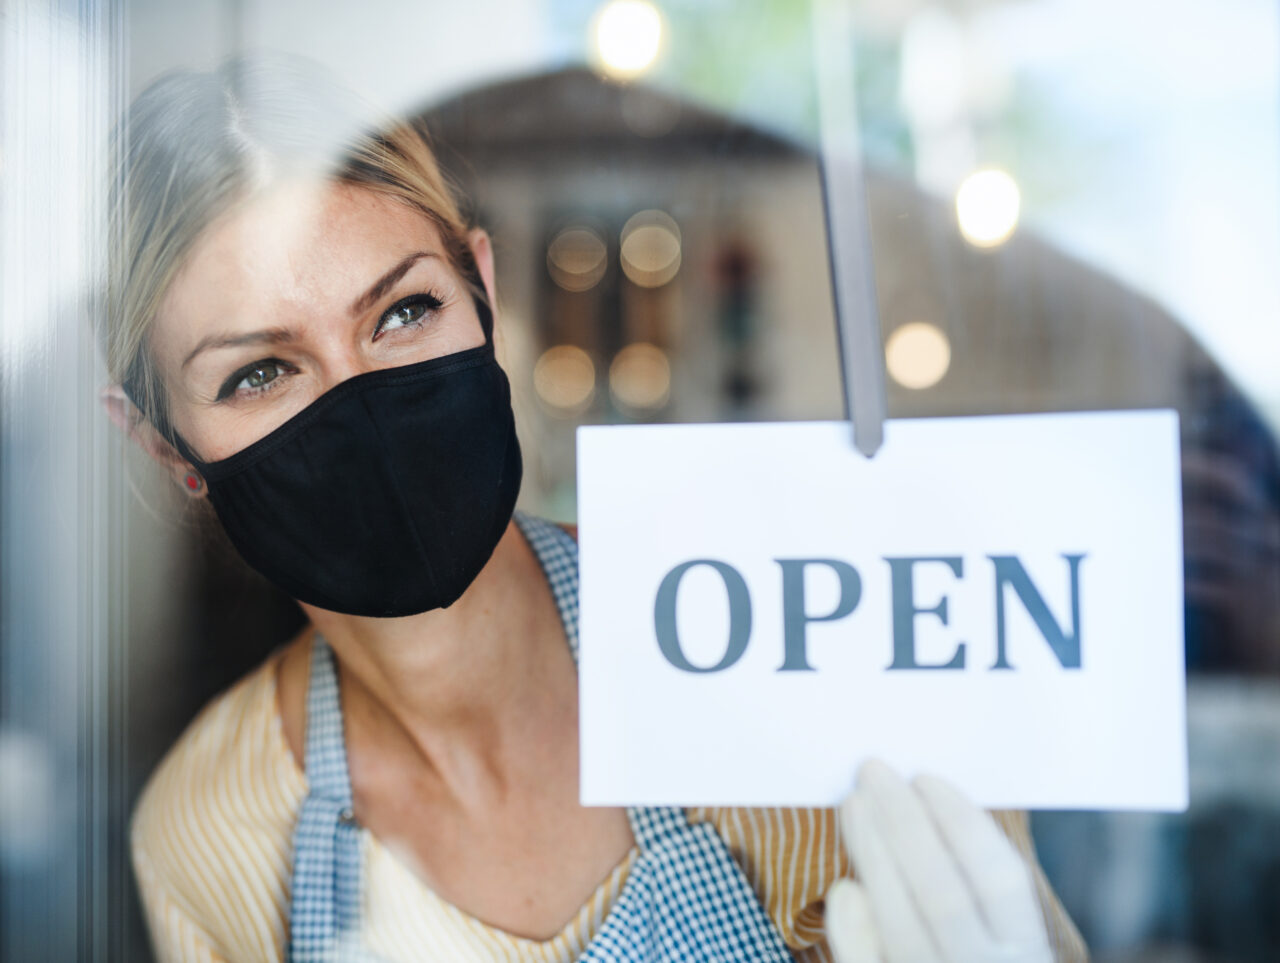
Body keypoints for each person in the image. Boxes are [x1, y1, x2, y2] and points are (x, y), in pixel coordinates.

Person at [103, 58, 1087, 963]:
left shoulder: (793, 643)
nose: (357, 402)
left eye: (403, 312)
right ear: (160, 445)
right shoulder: (210, 833)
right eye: (261, 371)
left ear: (480, 288)